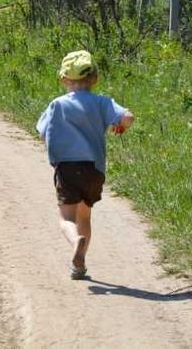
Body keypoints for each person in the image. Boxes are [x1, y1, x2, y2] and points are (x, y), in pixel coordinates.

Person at [36, 50, 134, 280]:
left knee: (66, 218)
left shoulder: (57, 105)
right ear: (95, 79)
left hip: (67, 168)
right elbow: (128, 117)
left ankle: (75, 244)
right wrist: (120, 126)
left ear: (64, 79)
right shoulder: (102, 102)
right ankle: (79, 265)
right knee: (84, 217)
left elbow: (43, 133)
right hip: (94, 169)